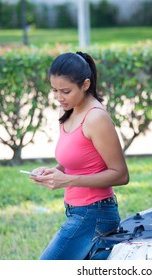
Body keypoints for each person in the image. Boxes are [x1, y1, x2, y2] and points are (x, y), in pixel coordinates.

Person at [30, 51, 129, 260]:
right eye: (55, 90)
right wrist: (53, 172)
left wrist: (68, 180)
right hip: (77, 211)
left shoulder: (96, 118)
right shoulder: (68, 112)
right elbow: (79, 161)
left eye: (65, 91)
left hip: (95, 214)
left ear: (85, 85)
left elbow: (121, 175)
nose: (59, 97)